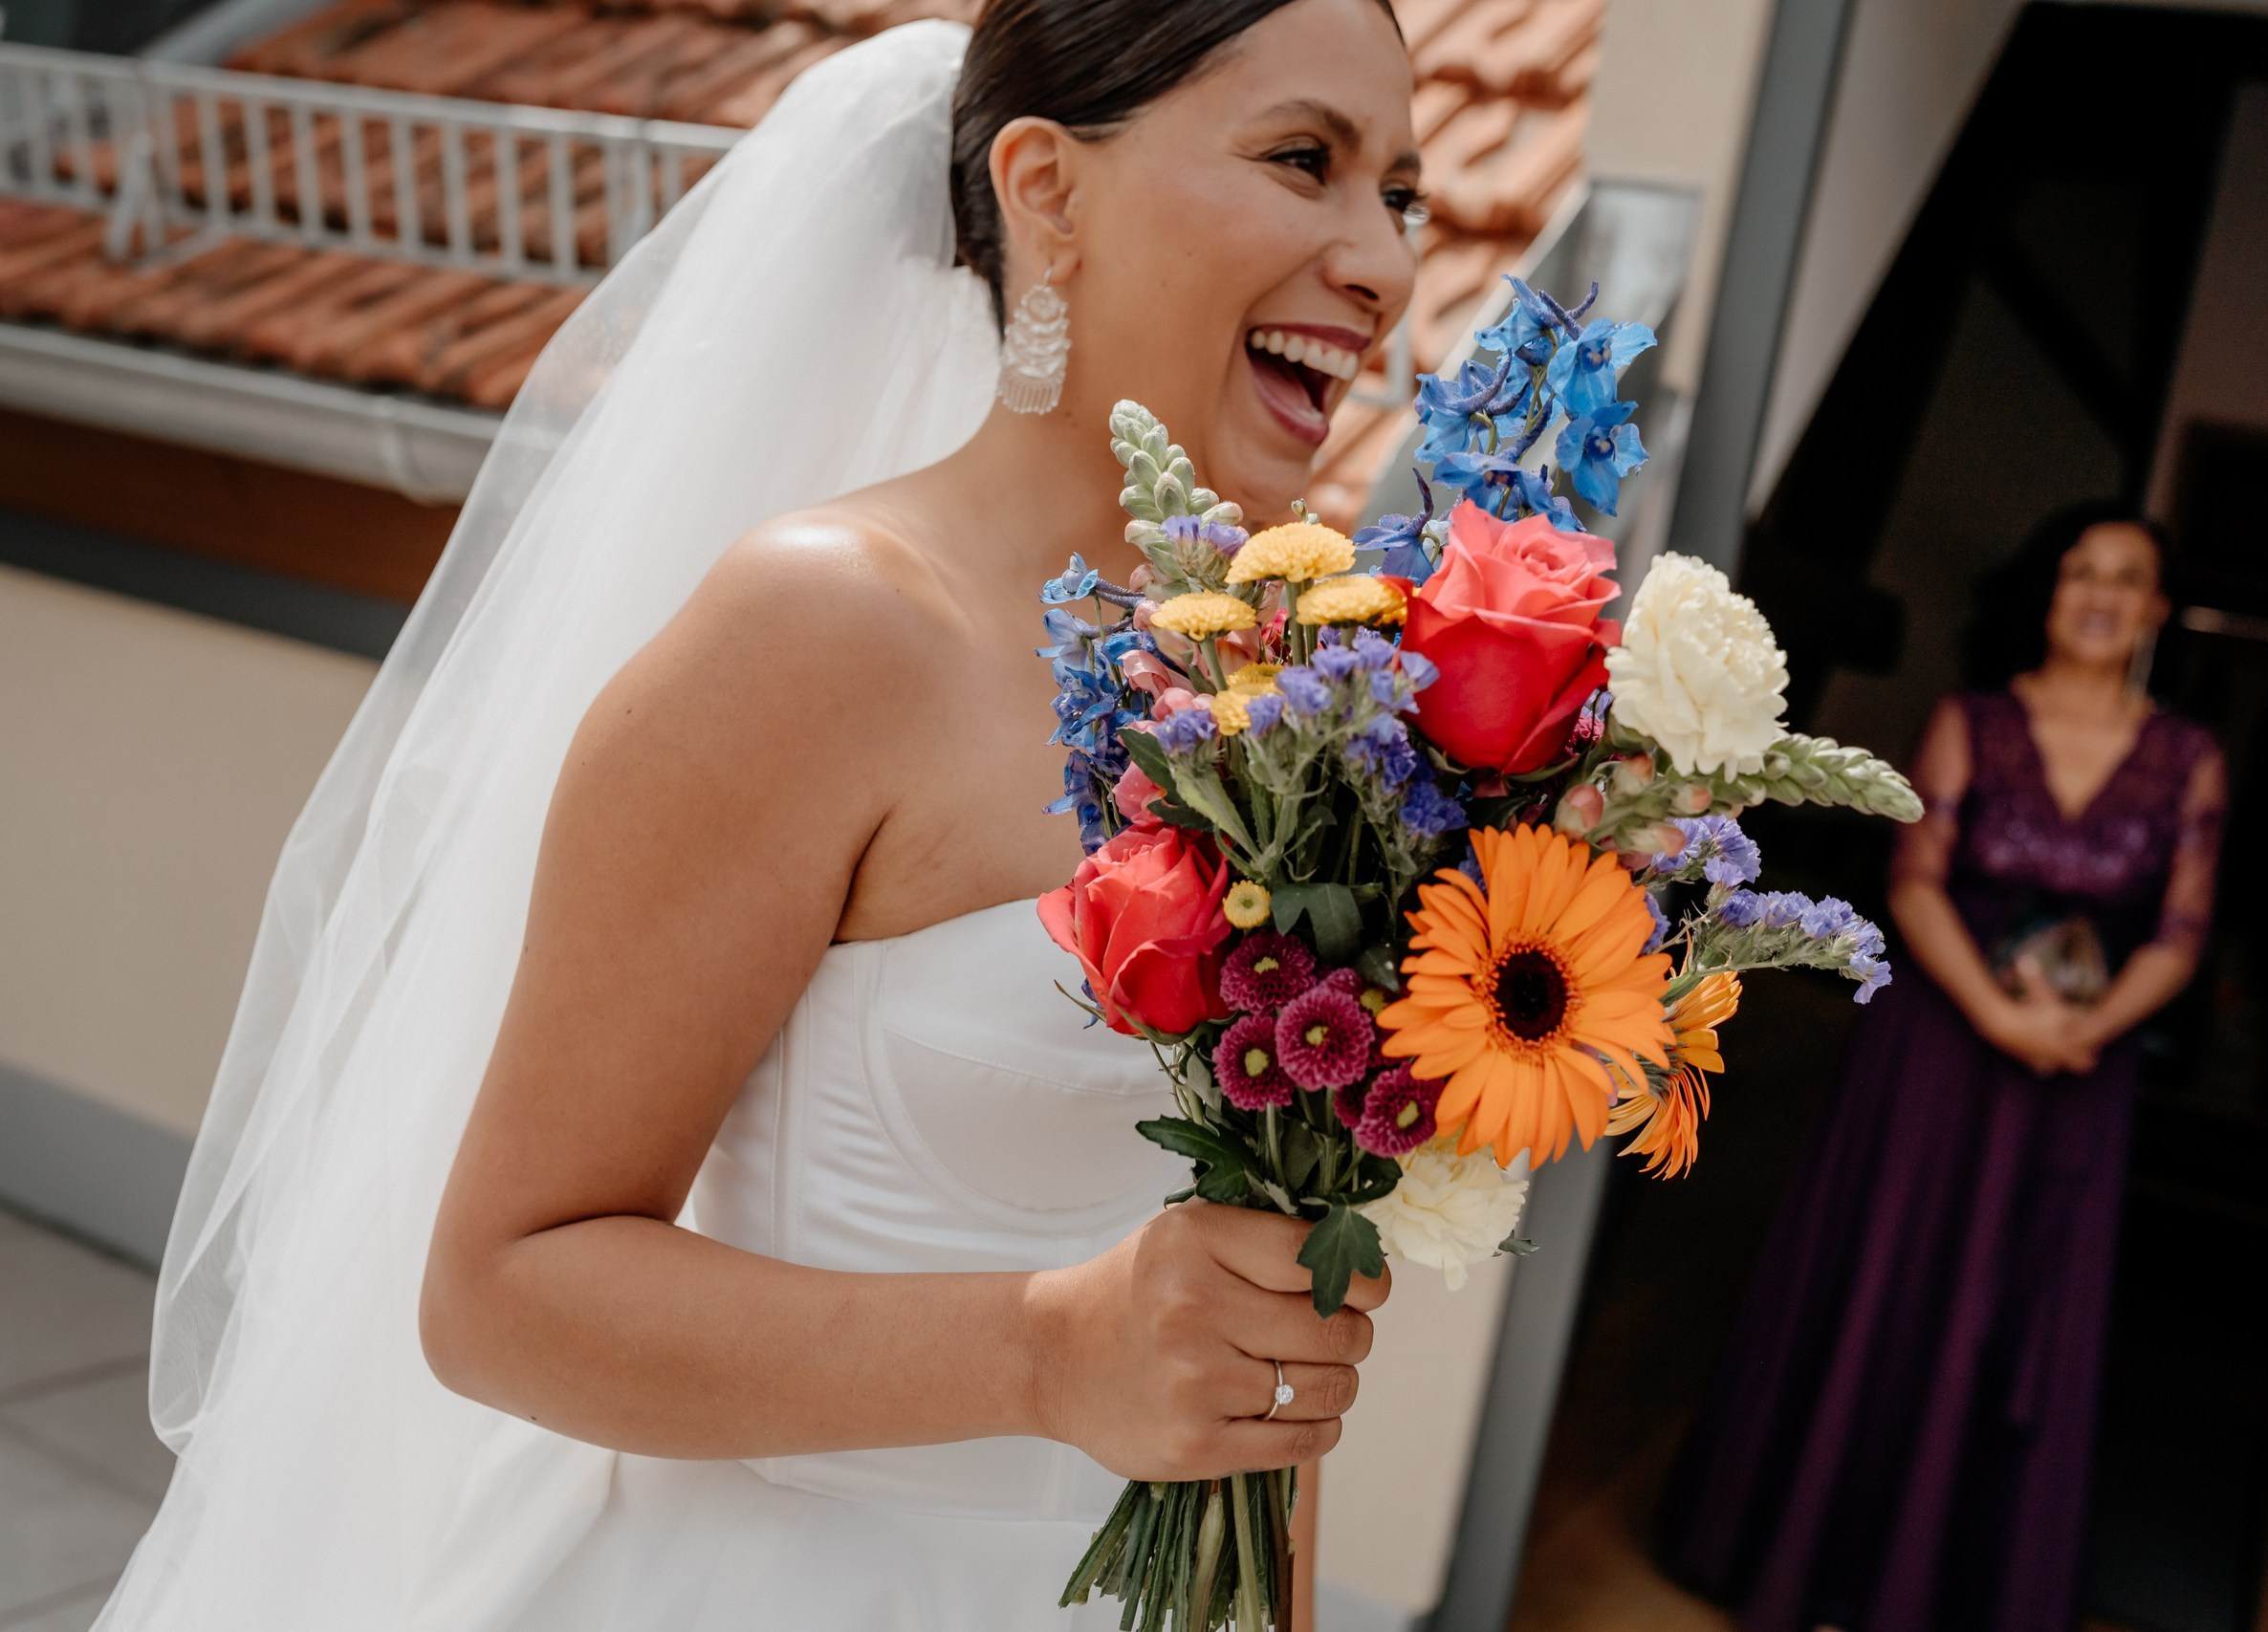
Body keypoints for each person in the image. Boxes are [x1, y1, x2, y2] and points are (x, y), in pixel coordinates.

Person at [97, 4, 1420, 1626]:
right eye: (1308, 161)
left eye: (1404, 196)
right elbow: (502, 1294)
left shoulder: (1305, 684)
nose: (1384, 264)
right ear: (1048, 189)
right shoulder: (827, 631)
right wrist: (1049, 1349)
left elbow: (1269, 1302)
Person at [1663, 508, 2228, 1632]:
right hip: (1935, 1053)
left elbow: (2181, 932)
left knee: (2022, 1309)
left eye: (2129, 578)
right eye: (2080, 573)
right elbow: (1915, 879)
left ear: (2158, 607)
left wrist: (2080, 1031)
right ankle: (1811, 1563)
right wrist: (1998, 1016)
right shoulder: (1971, 719)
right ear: (2048, 592)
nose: (2103, 595)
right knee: (1892, 1283)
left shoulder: (2190, 760)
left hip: (2080, 1078)